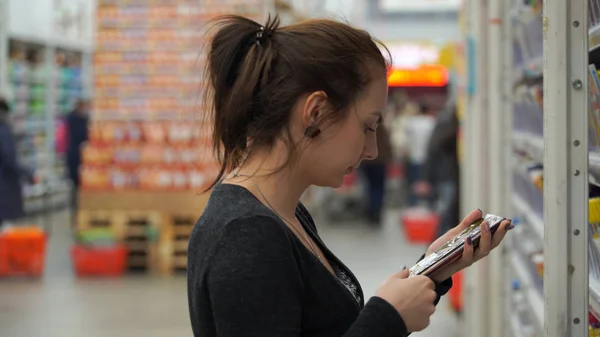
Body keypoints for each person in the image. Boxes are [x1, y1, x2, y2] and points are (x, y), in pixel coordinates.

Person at [187, 15, 512, 337]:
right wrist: (388, 318)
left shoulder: (283, 214)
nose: (371, 149)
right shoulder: (247, 235)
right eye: (367, 126)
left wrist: (430, 270)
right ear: (315, 113)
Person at [416, 105, 461, 240]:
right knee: (445, 212)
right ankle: (438, 241)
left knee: (445, 211)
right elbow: (432, 152)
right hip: (446, 176)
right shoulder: (447, 128)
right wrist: (425, 178)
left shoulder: (443, 126)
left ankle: (439, 240)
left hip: (446, 176)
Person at [0, 98, 35, 229]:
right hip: (4, 184)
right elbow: (9, 159)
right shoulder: (3, 130)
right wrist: (29, 174)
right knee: (5, 229)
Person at [401, 102, 436, 207]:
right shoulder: (431, 122)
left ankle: (413, 206)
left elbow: (407, 142)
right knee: (429, 185)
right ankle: (430, 207)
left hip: (414, 158)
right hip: (428, 159)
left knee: (415, 184)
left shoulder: (412, 123)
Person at [359, 122, 392, 224]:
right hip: (379, 161)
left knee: (368, 186)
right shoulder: (380, 128)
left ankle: (370, 210)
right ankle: (376, 211)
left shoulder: (364, 127)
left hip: (365, 161)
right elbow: (387, 143)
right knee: (378, 187)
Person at [65, 99, 90, 213]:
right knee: (79, 187)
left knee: (75, 188)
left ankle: (76, 210)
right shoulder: (82, 122)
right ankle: (79, 210)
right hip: (79, 159)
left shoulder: (68, 120)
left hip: (72, 158)